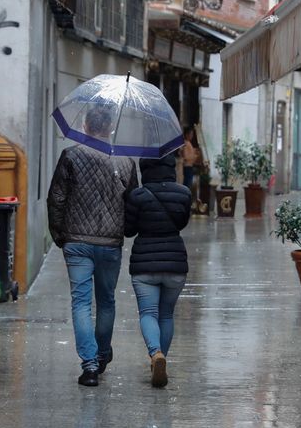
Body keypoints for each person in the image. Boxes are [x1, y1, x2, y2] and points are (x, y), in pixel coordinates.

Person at [47, 107, 138, 387]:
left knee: (81, 302)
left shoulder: (71, 156)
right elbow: (132, 203)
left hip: (76, 242)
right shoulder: (126, 162)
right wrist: (126, 230)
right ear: (110, 127)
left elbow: (56, 198)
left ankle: (89, 365)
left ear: (85, 125)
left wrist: (59, 234)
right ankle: (100, 355)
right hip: (110, 243)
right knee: (107, 301)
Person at [123, 153, 191, 387]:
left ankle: (155, 354)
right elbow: (181, 223)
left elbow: (128, 230)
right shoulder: (183, 194)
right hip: (175, 263)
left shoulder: (137, 196)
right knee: (167, 314)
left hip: (144, 264)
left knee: (148, 313)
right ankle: (160, 359)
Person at [180, 127, 200, 192]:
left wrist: (194, 151)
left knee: (188, 184)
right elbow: (186, 156)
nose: (192, 136)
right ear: (186, 134)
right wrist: (195, 156)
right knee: (187, 185)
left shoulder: (188, 143)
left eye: (192, 134)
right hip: (187, 166)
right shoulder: (186, 143)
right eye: (190, 134)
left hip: (189, 166)